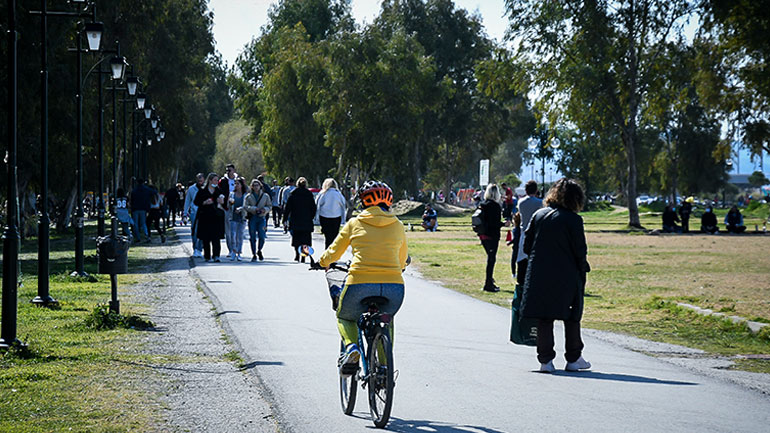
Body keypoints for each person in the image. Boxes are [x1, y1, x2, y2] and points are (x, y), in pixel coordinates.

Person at [318, 180, 408, 373]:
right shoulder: (398, 225)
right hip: (394, 286)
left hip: (359, 283)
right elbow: (402, 261)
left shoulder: (355, 223)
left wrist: (322, 262)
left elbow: (334, 252)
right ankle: (384, 367)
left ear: (363, 202)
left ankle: (351, 348)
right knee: (387, 319)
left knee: (345, 316)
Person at [521, 178, 591, 373]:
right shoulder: (574, 220)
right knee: (572, 316)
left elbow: (527, 246)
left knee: (544, 317)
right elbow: (580, 250)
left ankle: (545, 361)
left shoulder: (538, 215)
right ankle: (574, 358)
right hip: (566, 274)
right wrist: (582, 269)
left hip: (539, 273)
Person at [477, 184, 508, 292]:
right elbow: (494, 223)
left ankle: (490, 280)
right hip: (492, 235)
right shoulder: (495, 206)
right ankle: (488, 283)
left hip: (482, 234)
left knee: (490, 258)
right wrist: (503, 224)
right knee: (491, 259)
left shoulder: (482, 204)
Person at [194, 173, 227, 262]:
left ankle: (216, 255)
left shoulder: (218, 191)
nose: (216, 182)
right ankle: (207, 256)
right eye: (215, 180)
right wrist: (204, 202)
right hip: (205, 216)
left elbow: (224, 202)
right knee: (206, 238)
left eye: (217, 180)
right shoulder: (202, 191)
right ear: (210, 180)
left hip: (216, 217)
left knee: (216, 237)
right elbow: (196, 202)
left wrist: (221, 201)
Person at [283, 177, 317, 262]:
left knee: (296, 238)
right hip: (306, 220)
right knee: (305, 239)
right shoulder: (309, 195)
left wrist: (285, 219)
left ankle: (297, 254)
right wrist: (311, 217)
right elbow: (313, 208)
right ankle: (303, 256)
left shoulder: (293, 194)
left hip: (295, 219)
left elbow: (288, 208)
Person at [516, 180, 543, 286]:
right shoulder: (540, 203)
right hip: (536, 234)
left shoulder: (521, 202)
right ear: (536, 190)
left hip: (524, 232)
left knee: (522, 260)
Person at [243, 179, 272, 261]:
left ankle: (259, 250)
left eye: (257, 185)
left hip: (261, 218)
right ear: (251, 186)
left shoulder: (265, 196)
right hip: (253, 218)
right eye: (254, 185)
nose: (256, 187)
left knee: (262, 236)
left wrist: (264, 210)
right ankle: (254, 253)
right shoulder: (248, 196)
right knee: (252, 237)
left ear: (260, 186)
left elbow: (269, 206)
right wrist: (254, 209)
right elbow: (246, 206)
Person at [316, 178, 347, 248]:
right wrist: (343, 219)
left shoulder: (323, 193)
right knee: (334, 236)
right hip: (336, 217)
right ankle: (332, 251)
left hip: (324, 217)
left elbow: (318, 205)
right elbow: (343, 205)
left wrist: (317, 218)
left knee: (328, 236)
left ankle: (327, 249)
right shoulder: (338, 194)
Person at [227, 177, 248, 261]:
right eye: (235, 183)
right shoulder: (232, 194)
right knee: (233, 235)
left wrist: (241, 209)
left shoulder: (245, 195)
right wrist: (229, 204)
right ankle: (233, 251)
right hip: (233, 217)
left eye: (237, 184)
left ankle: (239, 252)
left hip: (242, 217)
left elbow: (247, 206)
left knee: (240, 236)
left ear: (242, 185)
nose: (236, 185)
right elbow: (229, 206)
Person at [184, 173, 205, 257]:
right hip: (194, 212)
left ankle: (200, 248)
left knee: (203, 231)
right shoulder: (191, 189)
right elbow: (187, 201)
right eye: (199, 180)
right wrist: (185, 214)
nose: (200, 182)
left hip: (204, 212)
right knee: (195, 231)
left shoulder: (205, 188)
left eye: (201, 180)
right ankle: (195, 248)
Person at [130, 178, 153, 243]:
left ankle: (138, 237)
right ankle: (146, 235)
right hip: (143, 208)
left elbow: (132, 200)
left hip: (135, 208)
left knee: (135, 224)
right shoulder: (146, 189)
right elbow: (154, 192)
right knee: (143, 223)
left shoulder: (134, 190)